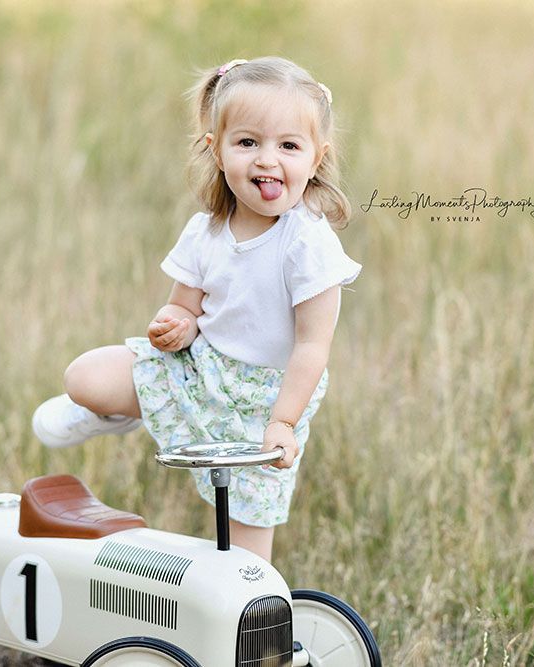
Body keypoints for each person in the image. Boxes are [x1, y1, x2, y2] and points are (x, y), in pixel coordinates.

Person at [31, 56, 361, 562]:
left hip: (265, 400)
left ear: (316, 159)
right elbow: (183, 310)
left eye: (289, 146)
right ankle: (122, 411)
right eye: (248, 142)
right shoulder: (206, 231)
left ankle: (242, 633)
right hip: (199, 368)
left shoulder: (306, 243)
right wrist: (175, 328)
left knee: (247, 558)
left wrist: (283, 423)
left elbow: (313, 347)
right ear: (217, 149)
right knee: (84, 377)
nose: (267, 161)